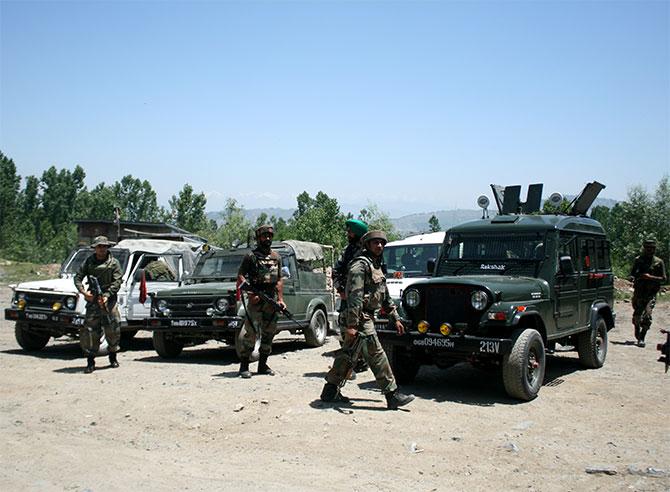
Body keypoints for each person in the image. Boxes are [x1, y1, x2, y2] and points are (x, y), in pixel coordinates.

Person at [320, 230, 415, 410]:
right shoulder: (360, 266)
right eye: (375, 243)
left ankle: (330, 390)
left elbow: (384, 295)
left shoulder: (376, 265)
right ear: (367, 245)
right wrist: (352, 325)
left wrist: (395, 318)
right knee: (377, 355)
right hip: (359, 317)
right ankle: (392, 394)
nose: (379, 246)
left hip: (366, 316)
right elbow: (354, 296)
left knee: (348, 356)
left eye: (381, 243)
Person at [236, 225, 286, 378]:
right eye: (264, 236)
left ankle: (262, 365)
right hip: (256, 299)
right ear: (258, 238)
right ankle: (244, 366)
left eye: (270, 236)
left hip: (271, 300)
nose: (268, 239)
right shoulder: (250, 256)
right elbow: (240, 276)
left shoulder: (276, 257)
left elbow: (278, 280)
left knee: (269, 333)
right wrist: (251, 293)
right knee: (250, 333)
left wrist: (280, 299)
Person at [74, 236, 123, 373]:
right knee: (90, 332)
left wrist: (107, 296)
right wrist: (84, 293)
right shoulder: (89, 262)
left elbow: (117, 281)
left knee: (113, 329)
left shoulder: (114, 263)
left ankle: (113, 357)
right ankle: (90, 361)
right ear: (95, 248)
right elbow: (77, 278)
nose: (101, 249)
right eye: (99, 246)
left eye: (104, 246)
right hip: (93, 301)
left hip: (109, 301)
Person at [333, 219, 368, 374]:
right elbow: (336, 272)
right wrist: (340, 290)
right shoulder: (347, 252)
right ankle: (348, 365)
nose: (348, 234)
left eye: (350, 231)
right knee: (345, 330)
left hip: (363, 300)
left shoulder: (369, 252)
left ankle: (360, 361)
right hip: (347, 300)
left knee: (365, 332)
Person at [630, 238, 667, 347]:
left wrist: (650, 277)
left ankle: (642, 337)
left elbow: (663, 278)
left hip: (651, 293)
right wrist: (633, 277)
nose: (649, 250)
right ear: (644, 248)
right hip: (639, 292)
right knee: (637, 315)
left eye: (652, 248)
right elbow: (632, 274)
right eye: (647, 248)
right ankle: (637, 328)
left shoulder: (658, 262)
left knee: (647, 315)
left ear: (654, 249)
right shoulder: (638, 260)